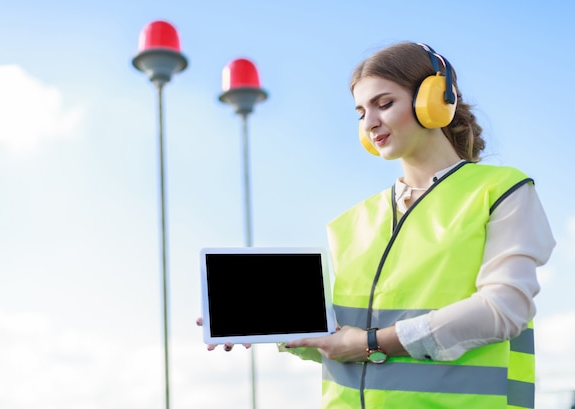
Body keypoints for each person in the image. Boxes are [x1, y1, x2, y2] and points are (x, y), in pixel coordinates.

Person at [200, 41, 556, 409]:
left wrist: (373, 342)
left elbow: (504, 309)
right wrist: (265, 324)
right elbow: (341, 342)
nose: (370, 122)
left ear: (433, 100)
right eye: (360, 111)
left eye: (384, 104)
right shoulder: (351, 223)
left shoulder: (500, 190)